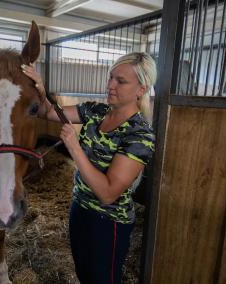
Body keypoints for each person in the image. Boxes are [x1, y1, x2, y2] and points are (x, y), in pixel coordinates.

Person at [22, 52, 156, 284]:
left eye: (121, 81)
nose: (111, 85)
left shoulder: (139, 134)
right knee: (84, 273)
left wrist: (74, 148)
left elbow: (108, 193)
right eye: (111, 77)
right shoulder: (96, 111)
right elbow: (49, 112)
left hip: (108, 222)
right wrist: (40, 88)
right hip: (79, 209)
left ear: (141, 90)